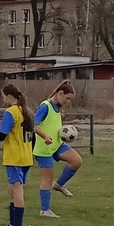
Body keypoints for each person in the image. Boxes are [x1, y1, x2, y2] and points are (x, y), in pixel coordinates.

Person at [0, 82, 37, 226]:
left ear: (10, 97)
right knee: (12, 191)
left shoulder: (11, 112)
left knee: (17, 191)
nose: (3, 99)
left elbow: (1, 135)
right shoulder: (27, 111)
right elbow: (34, 137)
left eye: (4, 96)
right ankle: (12, 224)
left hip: (15, 158)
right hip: (26, 157)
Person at [31, 81, 83, 216]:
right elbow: (34, 125)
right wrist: (45, 137)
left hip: (57, 145)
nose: (68, 102)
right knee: (47, 179)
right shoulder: (45, 106)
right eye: (67, 98)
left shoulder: (56, 107)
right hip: (44, 149)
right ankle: (45, 210)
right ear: (60, 93)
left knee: (76, 161)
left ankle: (59, 185)